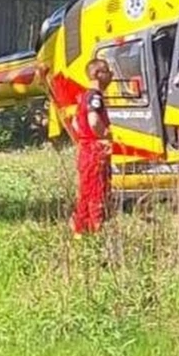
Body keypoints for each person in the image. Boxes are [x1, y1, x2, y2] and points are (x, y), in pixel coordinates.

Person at [71, 59, 114, 237]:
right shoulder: (95, 97)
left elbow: (75, 123)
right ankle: (96, 232)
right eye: (107, 71)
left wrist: (84, 137)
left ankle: (81, 231)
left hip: (85, 149)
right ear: (98, 74)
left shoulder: (84, 96)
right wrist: (105, 136)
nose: (111, 75)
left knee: (85, 192)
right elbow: (94, 120)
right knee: (97, 192)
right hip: (95, 150)